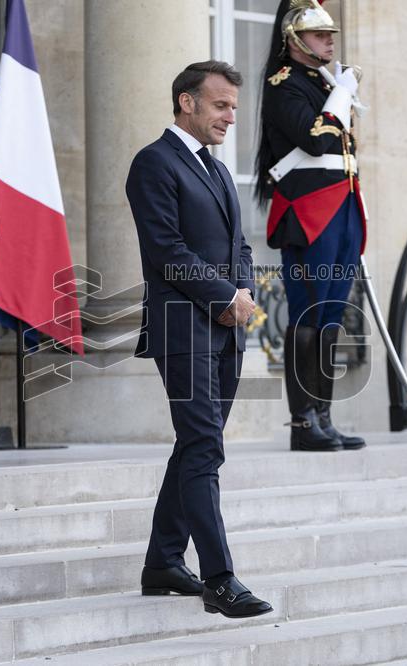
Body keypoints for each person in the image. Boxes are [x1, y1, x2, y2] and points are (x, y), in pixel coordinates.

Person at [125, 61, 272, 619]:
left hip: (225, 331)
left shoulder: (217, 169)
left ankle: (163, 562)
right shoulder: (154, 162)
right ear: (187, 102)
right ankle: (219, 579)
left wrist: (244, 290)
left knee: (195, 446)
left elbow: (239, 245)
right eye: (220, 105)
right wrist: (225, 296)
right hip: (182, 330)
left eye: (233, 106)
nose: (231, 116)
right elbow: (166, 251)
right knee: (205, 447)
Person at [254, 0, 367, 452]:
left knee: (332, 314)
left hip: (343, 208)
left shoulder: (323, 84)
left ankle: (323, 417)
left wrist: (338, 91)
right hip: (308, 212)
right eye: (320, 35)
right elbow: (317, 141)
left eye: (330, 34)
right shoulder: (285, 85)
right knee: (309, 313)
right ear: (295, 41)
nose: (329, 41)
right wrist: (341, 95)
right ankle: (302, 424)